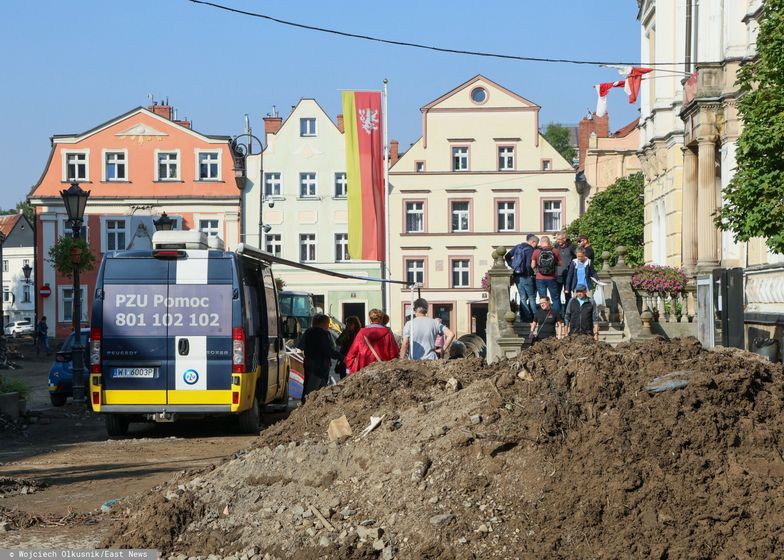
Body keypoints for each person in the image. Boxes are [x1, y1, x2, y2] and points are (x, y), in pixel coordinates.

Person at [297, 314, 341, 397]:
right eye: (327, 324)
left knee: (310, 386)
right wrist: (341, 357)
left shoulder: (308, 332)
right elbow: (330, 349)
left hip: (310, 364)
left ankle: (309, 405)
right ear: (323, 323)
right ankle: (308, 406)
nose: (328, 326)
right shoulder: (325, 334)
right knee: (312, 391)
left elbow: (301, 346)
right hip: (320, 366)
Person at [345, 309, 400, 374]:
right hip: (383, 371)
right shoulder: (388, 333)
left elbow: (351, 353)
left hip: (364, 369)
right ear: (381, 319)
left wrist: (349, 369)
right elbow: (394, 353)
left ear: (370, 319)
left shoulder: (361, 333)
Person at [505, 234, 539, 323]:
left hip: (517, 276)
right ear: (533, 242)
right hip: (527, 276)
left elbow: (507, 256)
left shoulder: (518, 247)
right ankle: (535, 317)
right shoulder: (531, 250)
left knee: (522, 297)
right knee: (532, 297)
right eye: (536, 243)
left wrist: (513, 266)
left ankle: (525, 317)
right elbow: (529, 265)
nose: (536, 246)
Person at [531, 235, 562, 313]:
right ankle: (556, 317)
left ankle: (544, 316)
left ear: (541, 243)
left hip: (540, 278)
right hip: (552, 278)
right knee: (555, 298)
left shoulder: (536, 251)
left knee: (542, 298)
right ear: (549, 242)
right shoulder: (555, 251)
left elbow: (533, 265)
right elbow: (561, 263)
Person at [555, 232, 576, 308]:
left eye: (559, 239)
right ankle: (559, 313)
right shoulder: (556, 246)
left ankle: (568, 311)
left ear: (564, 239)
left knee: (568, 294)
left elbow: (578, 256)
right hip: (558, 274)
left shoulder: (571, 247)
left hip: (568, 274)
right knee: (557, 294)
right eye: (557, 239)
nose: (558, 241)